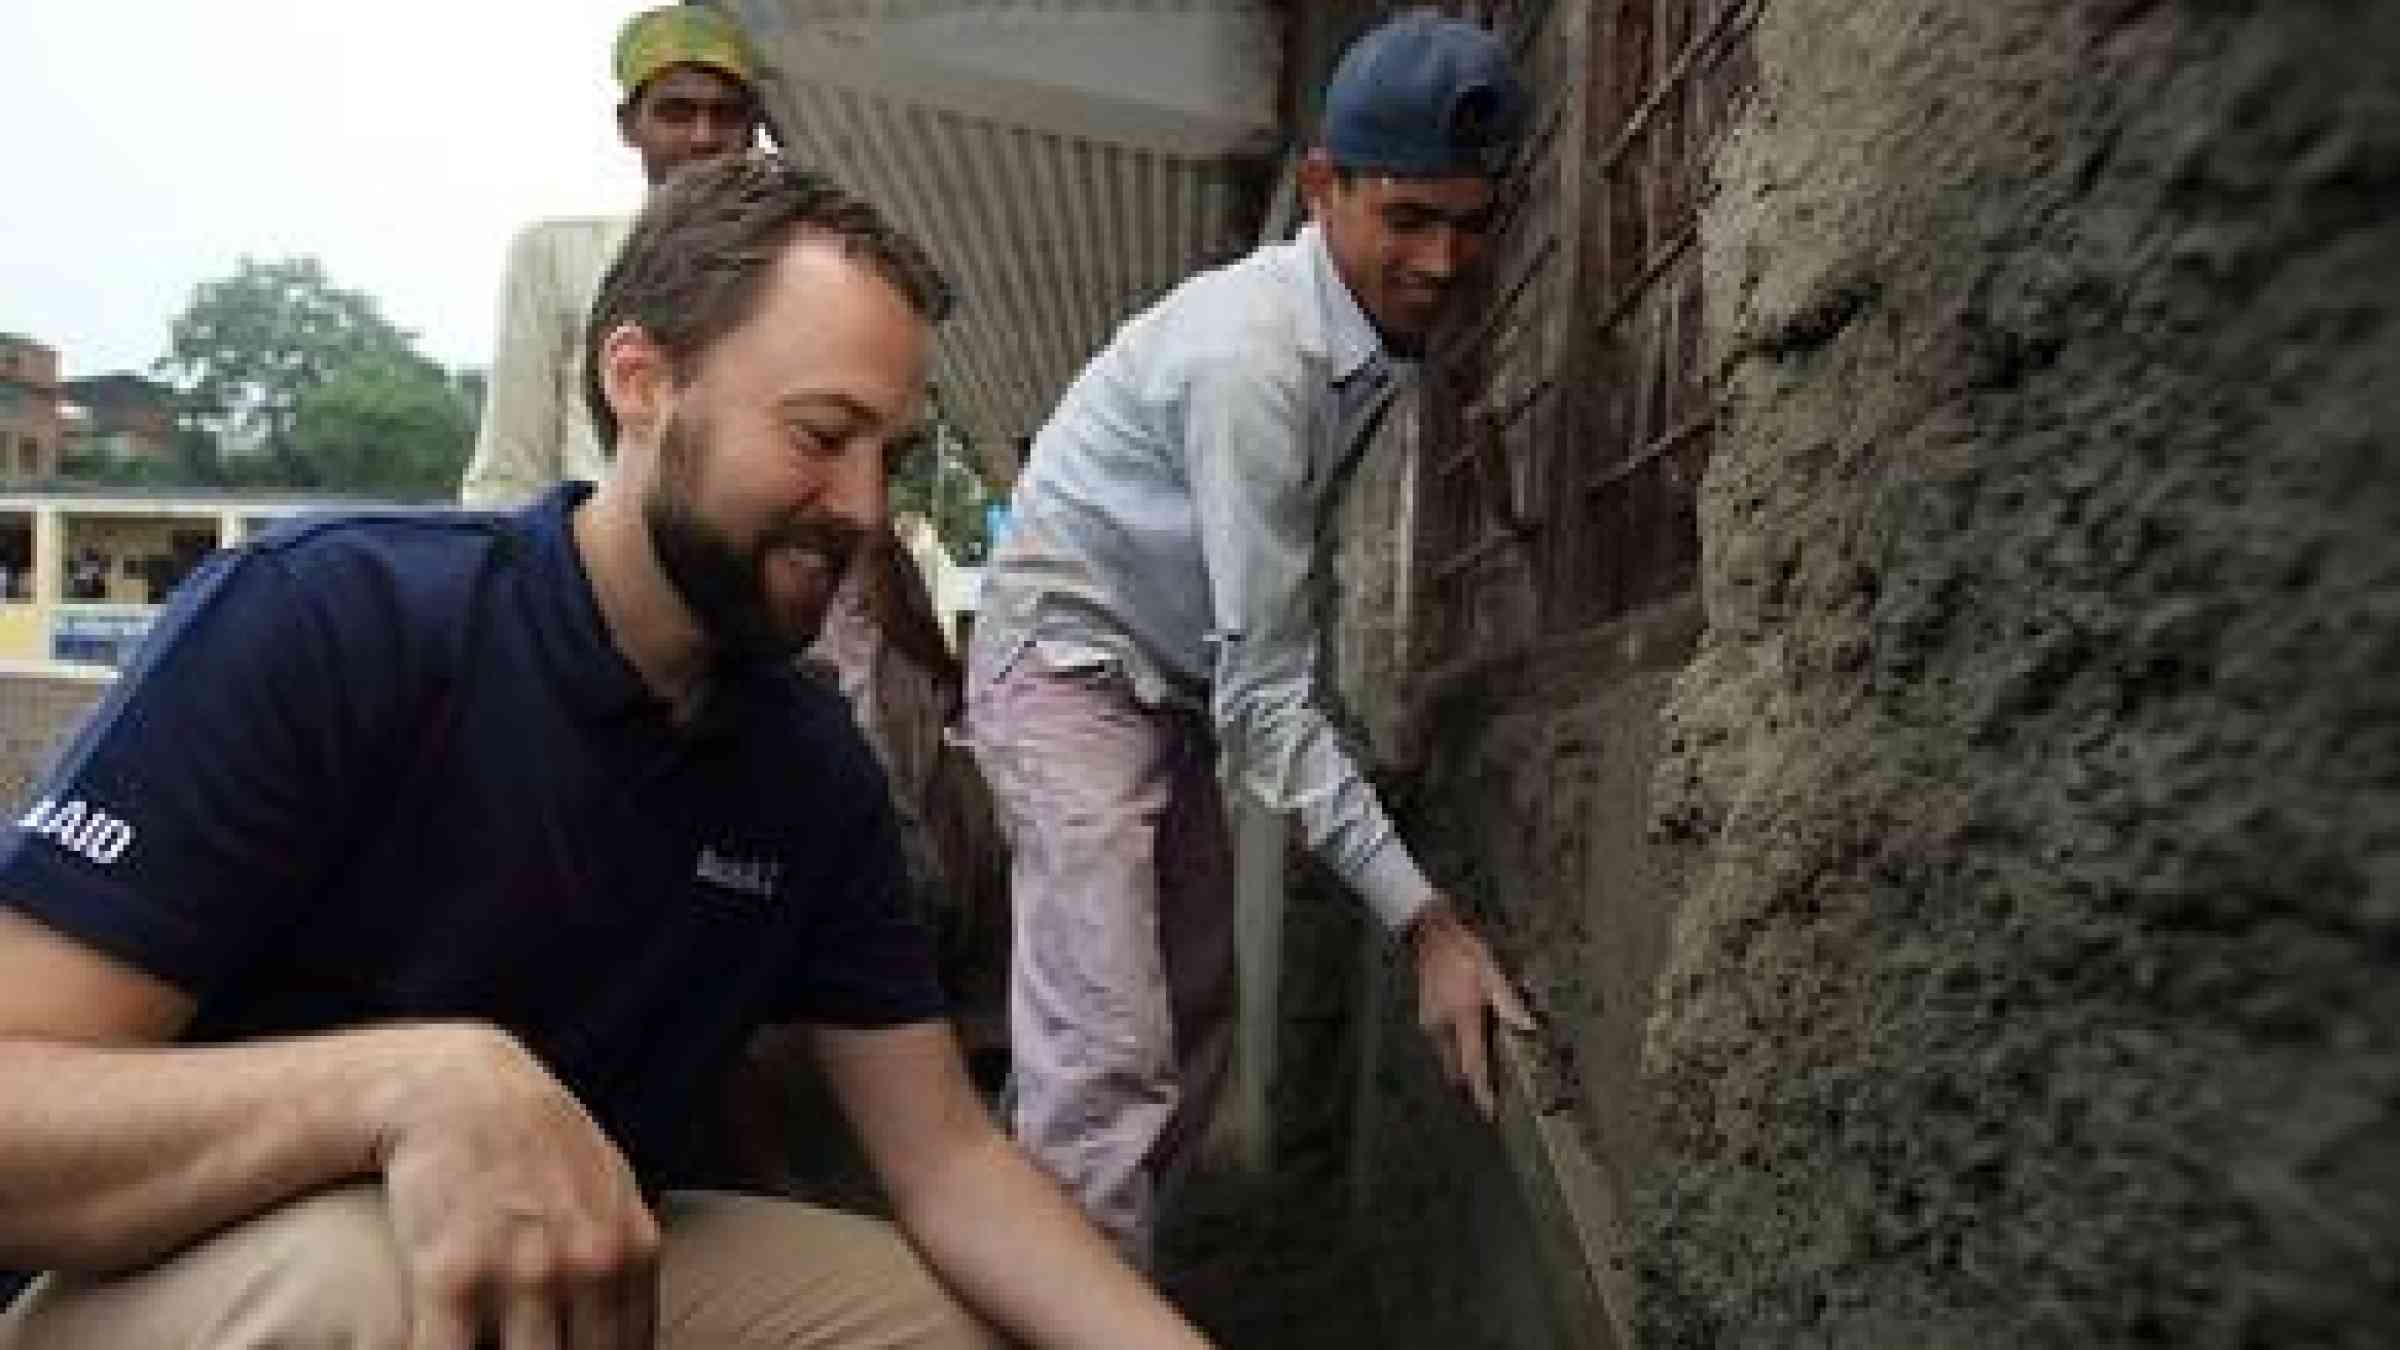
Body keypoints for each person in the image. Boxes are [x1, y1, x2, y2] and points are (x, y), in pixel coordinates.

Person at [0, 155, 1209, 1350]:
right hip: (181, 1278)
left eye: (886, 456)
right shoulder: (332, 617)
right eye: (821, 434)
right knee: (375, 1277)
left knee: (967, 1325)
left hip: (581, 1270)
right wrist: (405, 1092)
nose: (860, 505)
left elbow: (946, 1161)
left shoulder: (803, 762)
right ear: (641, 379)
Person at [965, 9, 1538, 1263]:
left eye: (1470, 224)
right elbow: (1269, 699)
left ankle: (1041, 1266)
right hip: (1062, 668)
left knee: (1185, 1026)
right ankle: (1072, 1301)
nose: (1444, 261)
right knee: (1111, 1062)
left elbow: (1262, 648)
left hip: (1164, 685)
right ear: (1323, 187)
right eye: (1409, 220)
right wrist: (1426, 920)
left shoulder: (1372, 333)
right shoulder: (1254, 360)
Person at [458, 5, 764, 508]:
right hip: (579, 566)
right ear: (629, 126)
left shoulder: (784, 271)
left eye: (725, 114)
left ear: (751, 132)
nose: (702, 136)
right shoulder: (556, 255)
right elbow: (508, 469)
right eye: (676, 112)